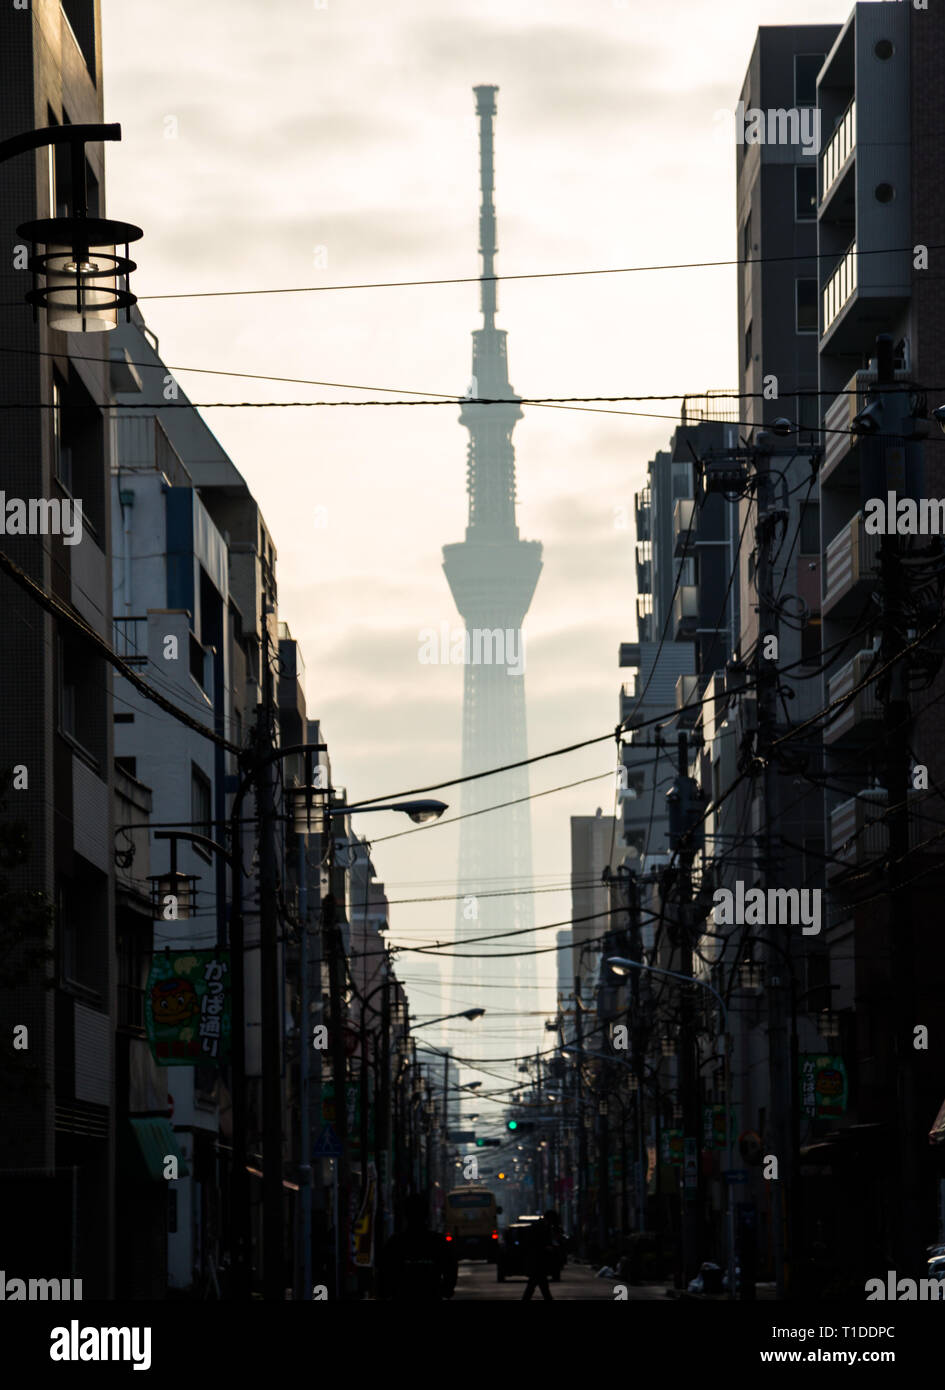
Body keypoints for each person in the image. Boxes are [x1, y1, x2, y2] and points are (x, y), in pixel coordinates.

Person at [377, 1194, 457, 1301]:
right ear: (427, 1215)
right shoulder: (437, 1242)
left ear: (406, 1214)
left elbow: (384, 1273)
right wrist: (446, 1289)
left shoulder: (395, 1243)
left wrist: (386, 1291)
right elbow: (451, 1269)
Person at [521, 1215, 553, 1301]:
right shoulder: (541, 1230)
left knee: (534, 1286)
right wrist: (546, 1248)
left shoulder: (536, 1228)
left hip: (536, 1264)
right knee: (540, 1286)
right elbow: (540, 1246)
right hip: (538, 1264)